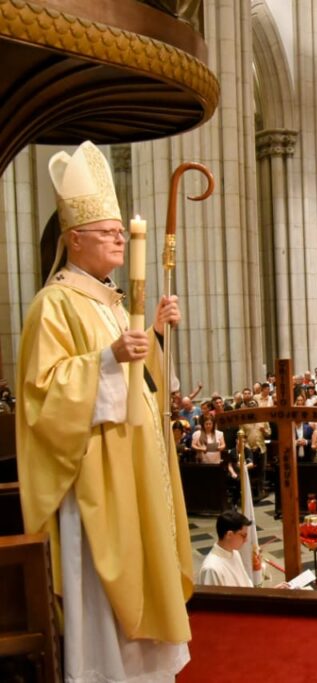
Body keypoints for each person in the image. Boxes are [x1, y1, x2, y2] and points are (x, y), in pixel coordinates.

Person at [15, 141, 192, 680]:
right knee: (103, 588)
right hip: (94, 475)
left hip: (133, 463)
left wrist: (154, 336)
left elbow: (145, 387)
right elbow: (42, 397)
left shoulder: (115, 302)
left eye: (122, 231)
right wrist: (107, 358)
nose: (120, 236)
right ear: (74, 239)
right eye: (108, 231)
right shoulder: (55, 303)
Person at [197, 511, 255, 587]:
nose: (246, 540)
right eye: (243, 536)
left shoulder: (235, 553)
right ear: (229, 535)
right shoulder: (211, 569)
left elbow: (246, 586)